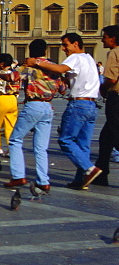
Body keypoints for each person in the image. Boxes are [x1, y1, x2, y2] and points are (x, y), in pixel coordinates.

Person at [23, 32, 101, 189]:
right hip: (92, 105)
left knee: (65, 140)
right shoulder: (89, 58)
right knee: (83, 144)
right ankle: (81, 180)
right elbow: (71, 77)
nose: (64, 49)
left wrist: (36, 62)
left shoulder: (75, 57)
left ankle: (89, 169)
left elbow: (60, 69)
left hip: (78, 104)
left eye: (65, 45)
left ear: (76, 44)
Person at [3, 38, 61, 193]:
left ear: (30, 51)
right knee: (41, 148)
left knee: (15, 140)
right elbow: (62, 87)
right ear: (45, 51)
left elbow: (12, 78)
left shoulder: (29, 66)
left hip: (33, 105)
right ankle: (43, 181)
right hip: (48, 107)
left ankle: (18, 175)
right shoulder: (53, 66)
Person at [86, 25, 119, 188]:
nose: (102, 39)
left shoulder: (114, 52)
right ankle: (101, 173)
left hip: (116, 98)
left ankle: (101, 173)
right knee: (106, 138)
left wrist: (101, 89)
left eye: (105, 37)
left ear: (113, 38)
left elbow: (112, 79)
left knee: (114, 133)